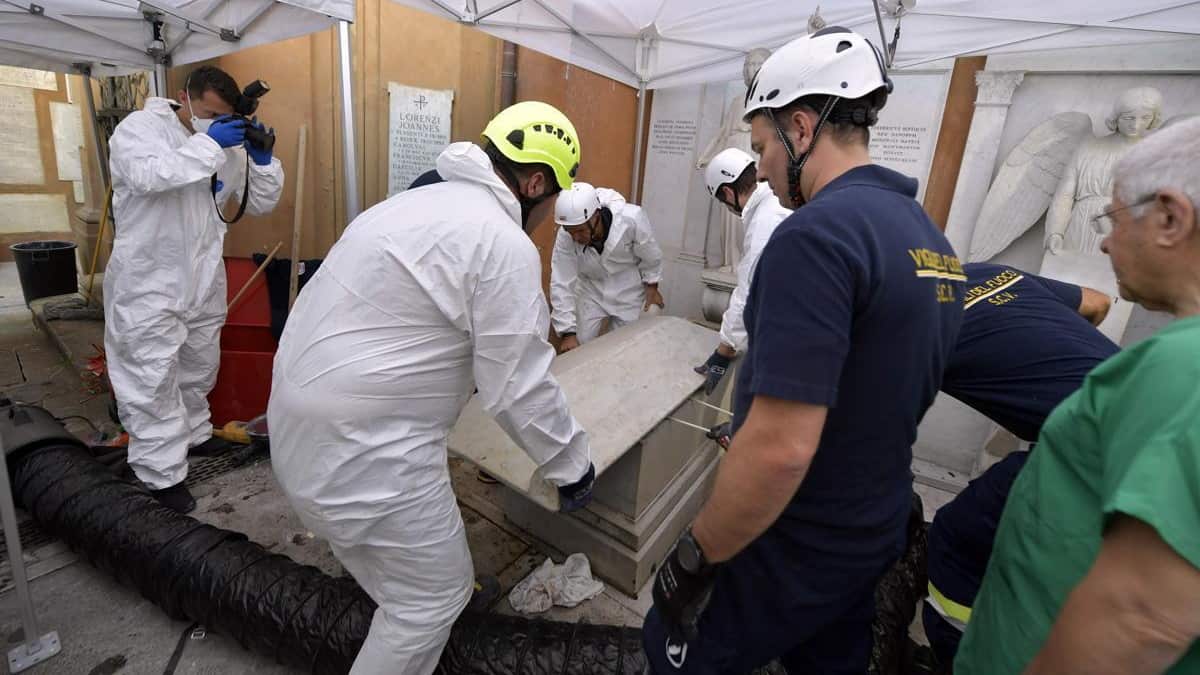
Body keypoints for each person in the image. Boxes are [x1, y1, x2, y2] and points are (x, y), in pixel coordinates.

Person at [643, 27, 963, 674]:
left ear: (801, 124)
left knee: (671, 650)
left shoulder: (814, 237)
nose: (759, 166)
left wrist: (695, 555)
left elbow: (783, 448)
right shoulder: (931, 240)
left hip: (793, 541)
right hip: (873, 530)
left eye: (761, 146)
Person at [268, 101, 596, 675]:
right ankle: (426, 601)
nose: (546, 219)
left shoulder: (408, 204)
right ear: (536, 181)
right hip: (364, 453)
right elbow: (517, 386)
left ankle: (410, 579)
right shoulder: (501, 241)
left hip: (296, 431)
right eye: (549, 205)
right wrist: (573, 467)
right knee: (430, 601)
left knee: (401, 556)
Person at [955, 117, 1200, 675]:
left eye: (1111, 218)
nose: (1106, 239)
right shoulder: (1161, 362)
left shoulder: (1183, 370)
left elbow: (1140, 616)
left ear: (1169, 217)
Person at [922, 262, 1119, 669]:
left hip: (1096, 449)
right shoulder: (990, 273)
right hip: (1138, 410)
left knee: (959, 538)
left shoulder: (902, 322)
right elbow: (1097, 302)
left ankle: (965, 657)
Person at [104, 65, 283, 513]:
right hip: (149, 280)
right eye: (207, 114)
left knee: (198, 365)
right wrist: (209, 144)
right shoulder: (140, 130)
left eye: (222, 117)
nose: (213, 123)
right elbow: (151, 177)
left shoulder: (225, 144)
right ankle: (159, 473)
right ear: (185, 98)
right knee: (151, 375)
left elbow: (259, 204)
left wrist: (262, 161)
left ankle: (195, 436)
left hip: (203, 277)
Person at [693, 148, 790, 395]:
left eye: (723, 202)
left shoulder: (764, 222)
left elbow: (749, 290)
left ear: (727, 192)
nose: (728, 208)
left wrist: (724, 350)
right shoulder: (775, 202)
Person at [550, 182, 664, 351]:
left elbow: (650, 252)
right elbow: (561, 281)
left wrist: (652, 285)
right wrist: (568, 332)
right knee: (578, 345)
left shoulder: (631, 219)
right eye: (570, 231)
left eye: (580, 231)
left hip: (629, 290)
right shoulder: (566, 236)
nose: (575, 237)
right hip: (590, 288)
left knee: (622, 347)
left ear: (595, 216)